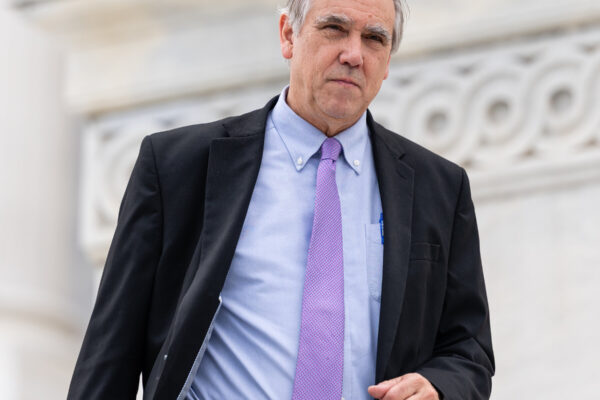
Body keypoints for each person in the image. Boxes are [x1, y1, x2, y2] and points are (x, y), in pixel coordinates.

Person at [68, 0, 495, 399]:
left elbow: (469, 350)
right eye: (334, 28)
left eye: (374, 38)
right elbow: (110, 352)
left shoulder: (440, 187)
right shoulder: (178, 166)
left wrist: (438, 385)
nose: (353, 54)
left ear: (386, 64)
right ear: (288, 35)